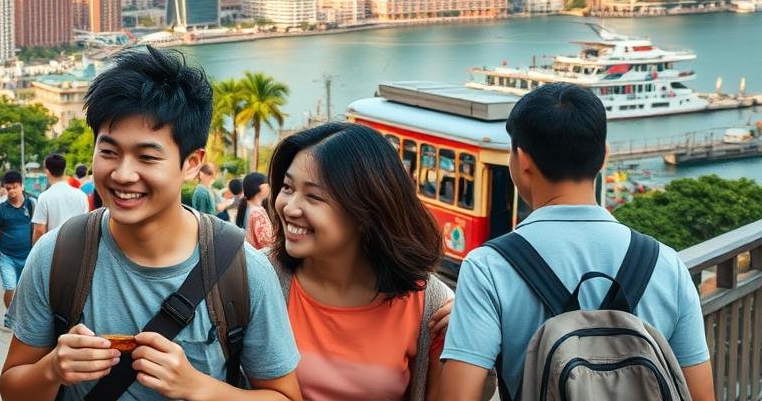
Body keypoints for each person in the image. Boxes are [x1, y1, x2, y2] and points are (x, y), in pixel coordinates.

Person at [1, 46, 300, 401]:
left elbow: (285, 396)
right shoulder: (57, 256)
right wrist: (52, 368)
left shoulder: (244, 271)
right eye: (108, 152)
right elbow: (13, 388)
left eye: (147, 157)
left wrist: (198, 387)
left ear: (191, 162)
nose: (123, 174)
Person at [440, 83, 714, 400]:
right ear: (604, 156)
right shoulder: (666, 265)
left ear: (522, 159)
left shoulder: (488, 268)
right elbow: (702, 395)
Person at [269, 123, 454, 401]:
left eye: (314, 196)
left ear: (365, 211)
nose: (290, 207)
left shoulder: (430, 304)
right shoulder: (259, 278)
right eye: (287, 187)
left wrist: (469, 339)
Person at [0, 170, 37, 329]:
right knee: (10, 287)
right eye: (8, 188)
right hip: (7, 256)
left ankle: (23, 317)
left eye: (14, 187)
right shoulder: (1, 209)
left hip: (28, 255)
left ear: (21, 186)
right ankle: (10, 315)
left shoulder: (31, 204)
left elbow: (37, 228)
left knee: (24, 289)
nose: (11, 191)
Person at [30, 152, 88, 245]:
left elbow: (39, 230)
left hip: (53, 250)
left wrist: (35, 250)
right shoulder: (81, 196)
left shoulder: (44, 197)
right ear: (64, 170)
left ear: (47, 171)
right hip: (77, 249)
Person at [238, 172, 273, 249]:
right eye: (267, 183)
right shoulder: (258, 213)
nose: (269, 187)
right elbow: (268, 245)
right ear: (259, 187)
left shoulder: (248, 207)